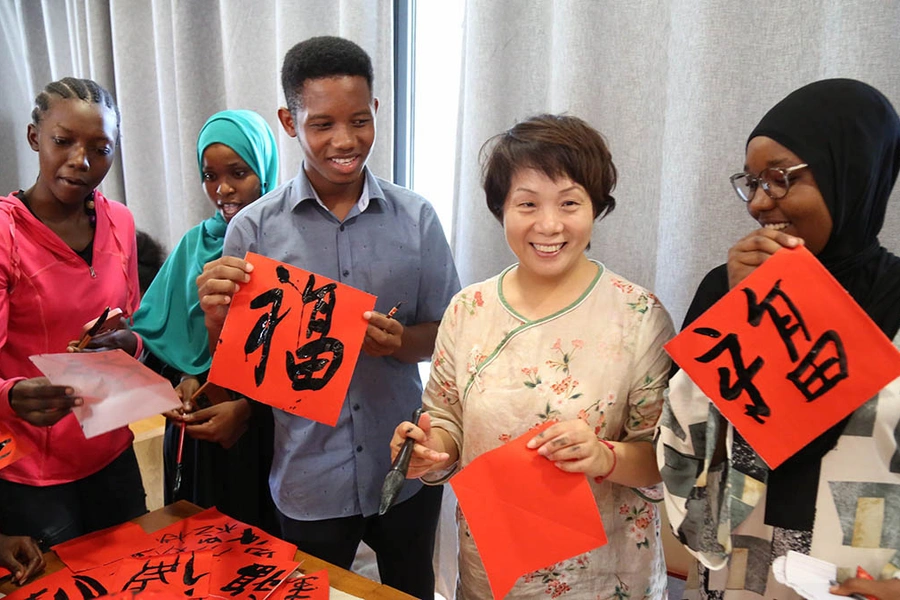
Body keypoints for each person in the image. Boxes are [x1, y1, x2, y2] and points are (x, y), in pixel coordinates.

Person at [196, 36, 459, 598]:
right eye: (322, 125)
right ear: (290, 121)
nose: (345, 141)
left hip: (404, 463)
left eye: (359, 121)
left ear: (376, 113)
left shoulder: (417, 219)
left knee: (413, 586)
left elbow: (443, 335)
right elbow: (238, 358)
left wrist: (398, 342)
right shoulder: (255, 229)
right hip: (308, 473)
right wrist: (217, 316)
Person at [391, 114, 675, 598]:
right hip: (493, 568)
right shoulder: (468, 310)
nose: (549, 224)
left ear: (595, 207)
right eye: (527, 204)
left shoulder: (638, 314)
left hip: (606, 575)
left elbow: (664, 461)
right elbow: (446, 420)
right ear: (501, 209)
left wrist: (602, 456)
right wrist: (426, 450)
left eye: (569, 203)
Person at [656, 79, 900, 599]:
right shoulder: (724, 290)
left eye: (778, 179)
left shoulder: (896, 302)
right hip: (737, 575)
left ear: (851, 173)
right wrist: (745, 317)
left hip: (862, 585)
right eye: (752, 182)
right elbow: (680, 461)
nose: (758, 204)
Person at [0, 77, 146, 547]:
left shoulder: (119, 221)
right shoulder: (6, 234)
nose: (81, 162)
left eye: (101, 148)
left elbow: (135, 326)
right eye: (63, 142)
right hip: (31, 472)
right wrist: (12, 395)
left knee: (133, 577)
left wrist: (129, 345)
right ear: (34, 138)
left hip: (112, 451)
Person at [128, 110, 279, 532]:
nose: (223, 189)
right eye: (210, 176)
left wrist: (248, 410)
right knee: (203, 553)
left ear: (264, 171)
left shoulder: (286, 245)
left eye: (239, 172)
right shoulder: (194, 245)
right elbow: (156, 340)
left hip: (272, 438)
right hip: (200, 437)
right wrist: (184, 379)